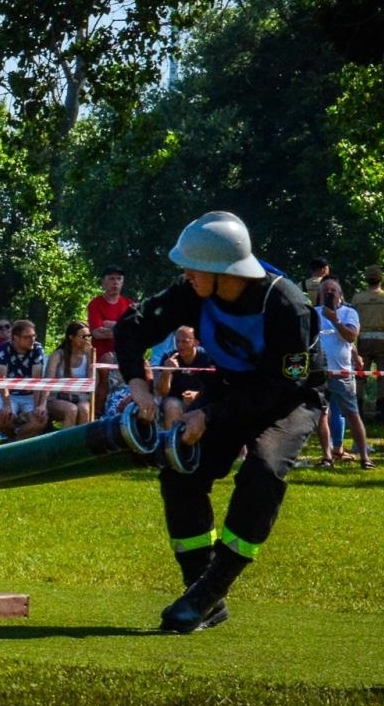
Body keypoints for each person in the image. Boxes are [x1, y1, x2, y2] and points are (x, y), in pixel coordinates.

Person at [115, 210, 324, 634]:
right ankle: (200, 594)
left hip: (288, 398)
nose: (186, 274)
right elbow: (132, 327)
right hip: (231, 391)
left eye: (193, 267)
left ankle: (211, 589)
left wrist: (209, 414)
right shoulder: (193, 290)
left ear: (221, 270)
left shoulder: (288, 305)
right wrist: (137, 382)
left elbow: (277, 387)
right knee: (180, 472)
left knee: (263, 471)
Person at [314, 278, 372, 469]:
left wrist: (335, 320)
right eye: (326, 291)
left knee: (352, 414)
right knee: (322, 414)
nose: (329, 293)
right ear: (320, 295)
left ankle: (365, 458)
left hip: (343, 373)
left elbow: (350, 337)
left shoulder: (349, 313)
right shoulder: (313, 314)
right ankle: (327, 456)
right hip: (319, 372)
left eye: (333, 291)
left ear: (340, 295)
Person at [349, 264, 384, 420]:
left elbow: (351, 318)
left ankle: (358, 410)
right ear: (381, 279)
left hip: (363, 339)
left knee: (360, 375)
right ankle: (382, 411)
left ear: (366, 279)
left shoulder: (358, 298)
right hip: (383, 340)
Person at [0, 319, 51, 439]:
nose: (32, 339)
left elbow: (36, 380)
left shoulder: (37, 348)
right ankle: (13, 441)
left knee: (40, 420)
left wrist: (38, 407)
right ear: (15, 337)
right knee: (1, 418)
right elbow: (2, 378)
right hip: (10, 395)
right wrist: (6, 405)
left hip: (31, 395)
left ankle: (13, 444)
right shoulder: (4, 348)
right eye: (27, 337)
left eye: (34, 336)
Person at [87, 265, 133, 416]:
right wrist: (122, 327)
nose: (115, 282)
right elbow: (97, 333)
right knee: (101, 389)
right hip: (101, 357)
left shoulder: (129, 304)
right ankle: (95, 418)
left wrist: (111, 325)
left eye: (119, 279)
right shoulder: (95, 304)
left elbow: (134, 332)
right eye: (111, 279)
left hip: (124, 356)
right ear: (103, 282)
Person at [156, 325, 215, 427]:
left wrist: (197, 395)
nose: (180, 346)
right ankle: (170, 440)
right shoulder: (169, 358)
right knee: (172, 405)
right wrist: (166, 373)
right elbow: (162, 392)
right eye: (177, 341)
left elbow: (217, 388)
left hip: (203, 402)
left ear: (196, 342)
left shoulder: (208, 358)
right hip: (176, 401)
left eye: (184, 342)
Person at [45, 321, 94, 427]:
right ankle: (66, 443)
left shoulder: (89, 355)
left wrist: (91, 357)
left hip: (80, 397)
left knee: (84, 409)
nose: (87, 339)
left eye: (89, 336)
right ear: (71, 337)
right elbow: (48, 380)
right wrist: (42, 404)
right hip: (57, 397)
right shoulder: (58, 355)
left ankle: (81, 442)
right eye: (83, 336)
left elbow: (93, 382)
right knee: (71, 409)